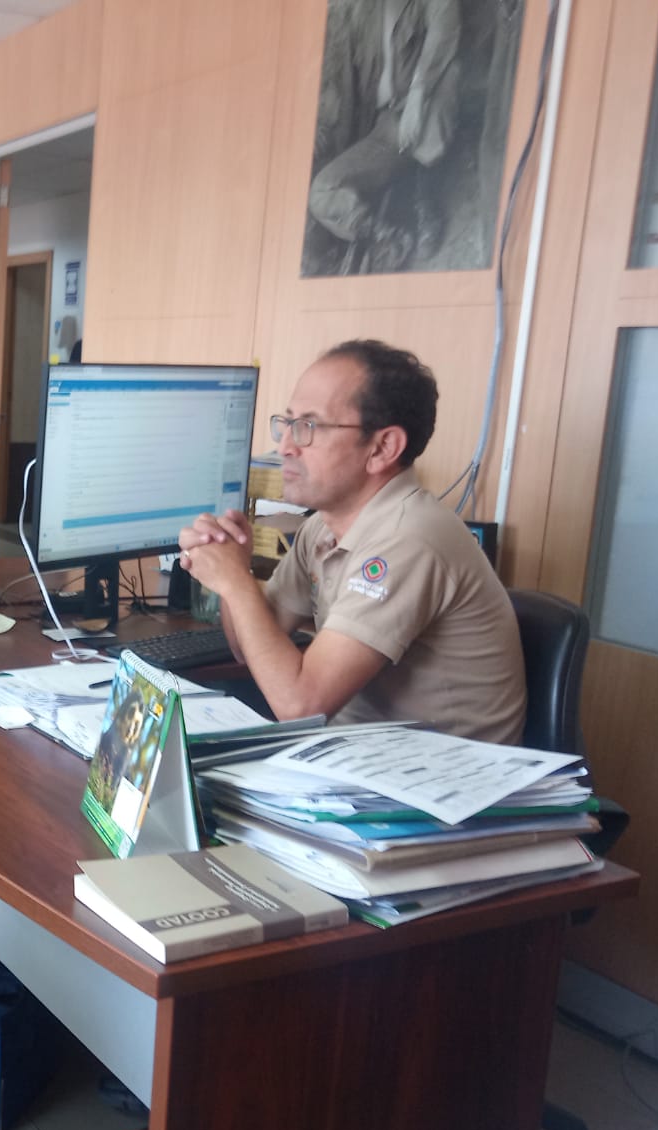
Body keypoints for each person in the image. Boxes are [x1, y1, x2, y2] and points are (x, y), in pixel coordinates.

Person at [179, 339, 525, 744]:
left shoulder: (408, 539)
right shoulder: (323, 528)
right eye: (287, 423)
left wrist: (236, 582)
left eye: (309, 427)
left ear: (382, 448)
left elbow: (299, 705)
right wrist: (231, 567)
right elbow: (249, 649)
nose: (285, 446)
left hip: (443, 775)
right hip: (358, 757)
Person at [307, 0, 463, 273]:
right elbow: (334, 85)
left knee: (450, 74)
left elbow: (445, 26)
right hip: (382, 130)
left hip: (421, 111)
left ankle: (425, 199)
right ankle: (383, 234)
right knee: (321, 193)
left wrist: (417, 94)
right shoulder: (356, 13)